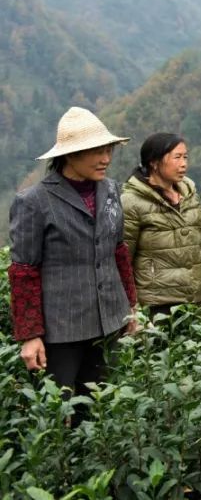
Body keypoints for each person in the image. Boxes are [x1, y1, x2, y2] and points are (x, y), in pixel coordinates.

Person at [8, 107, 137, 400]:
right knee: (59, 413)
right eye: (96, 152)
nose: (106, 159)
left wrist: (129, 307)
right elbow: (24, 272)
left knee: (102, 412)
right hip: (62, 331)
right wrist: (30, 335)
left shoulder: (112, 191)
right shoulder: (35, 201)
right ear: (70, 154)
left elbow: (118, 252)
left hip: (109, 323)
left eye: (108, 150)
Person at [122, 133, 201, 321]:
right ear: (154, 162)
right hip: (158, 306)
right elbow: (123, 259)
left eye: (185, 157)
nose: (184, 163)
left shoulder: (189, 195)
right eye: (177, 157)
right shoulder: (131, 202)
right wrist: (131, 310)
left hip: (197, 301)